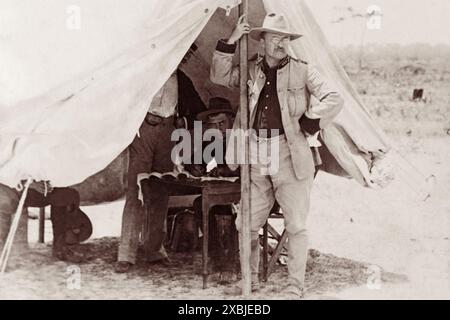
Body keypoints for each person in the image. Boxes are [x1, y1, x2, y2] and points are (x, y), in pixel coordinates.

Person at [210, 13, 344, 298]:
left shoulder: (303, 70)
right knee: (245, 224)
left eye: (285, 38)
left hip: (289, 153)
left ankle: (296, 285)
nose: (281, 43)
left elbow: (334, 96)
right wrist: (231, 41)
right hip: (255, 151)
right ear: (263, 41)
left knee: (296, 224)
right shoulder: (250, 68)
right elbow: (218, 76)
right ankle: (252, 280)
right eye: (275, 38)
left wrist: (310, 122)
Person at [115, 43, 206, 273]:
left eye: (185, 55)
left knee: (161, 190)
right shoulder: (146, 74)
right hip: (144, 130)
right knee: (136, 191)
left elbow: (199, 111)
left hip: (169, 134)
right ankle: (126, 254)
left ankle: (155, 250)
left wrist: (183, 123)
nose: (182, 58)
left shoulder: (182, 80)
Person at [185, 97, 239, 284]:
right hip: (222, 195)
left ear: (232, 121)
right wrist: (194, 167)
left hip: (248, 195)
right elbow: (194, 160)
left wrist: (226, 170)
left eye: (222, 123)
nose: (218, 129)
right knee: (200, 204)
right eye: (213, 125)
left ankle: (231, 263)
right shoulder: (212, 140)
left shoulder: (242, 139)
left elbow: (251, 167)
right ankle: (216, 255)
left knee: (239, 210)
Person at [0, 181, 89, 263]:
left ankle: (59, 249)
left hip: (34, 188)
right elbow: (6, 173)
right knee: (4, 201)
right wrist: (30, 183)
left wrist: (50, 183)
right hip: (11, 187)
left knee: (64, 195)